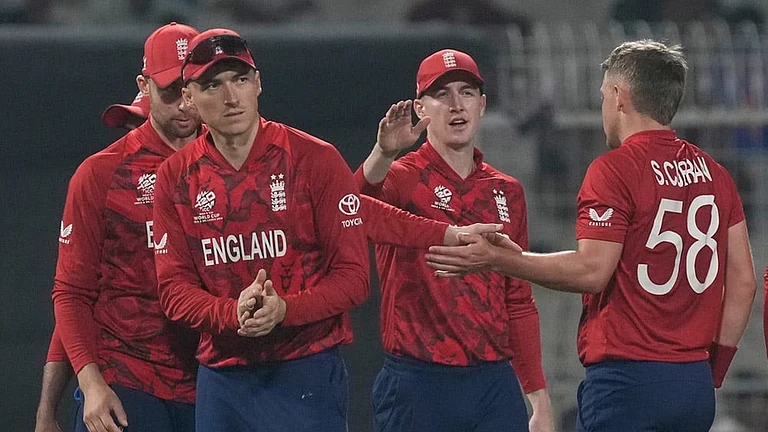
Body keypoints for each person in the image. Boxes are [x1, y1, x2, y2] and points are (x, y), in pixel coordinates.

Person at [151, 28, 501, 432]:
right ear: (189, 98)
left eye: (241, 80)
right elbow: (173, 291)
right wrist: (230, 312)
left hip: (307, 369)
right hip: (223, 378)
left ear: (259, 83)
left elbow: (353, 279)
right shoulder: (174, 177)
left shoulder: (313, 159)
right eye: (213, 84)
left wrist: (285, 310)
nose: (231, 97)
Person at [425, 40, 757, 432]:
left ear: (619, 97)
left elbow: (592, 271)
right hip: (692, 384)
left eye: (602, 96)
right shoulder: (717, 175)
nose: (602, 108)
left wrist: (501, 259)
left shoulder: (615, 170)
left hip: (628, 384)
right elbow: (744, 283)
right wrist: (710, 371)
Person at [354, 49, 554, 432]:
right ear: (419, 108)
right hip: (419, 381)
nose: (456, 104)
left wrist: (538, 397)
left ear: (482, 105)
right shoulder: (401, 176)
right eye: (441, 94)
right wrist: (383, 152)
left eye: (466, 92)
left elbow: (518, 300)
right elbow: (349, 210)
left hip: (493, 384)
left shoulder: (506, 190)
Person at [51, 21, 203, 432]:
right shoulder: (101, 173)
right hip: (128, 380)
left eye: (192, 89)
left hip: (215, 380)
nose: (184, 105)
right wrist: (91, 384)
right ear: (144, 84)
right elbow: (72, 290)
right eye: (171, 91)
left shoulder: (235, 168)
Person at [35, 89, 152, 432]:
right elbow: (76, 303)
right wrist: (47, 409)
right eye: (131, 125)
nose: (137, 136)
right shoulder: (105, 180)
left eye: (142, 123)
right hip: (126, 382)